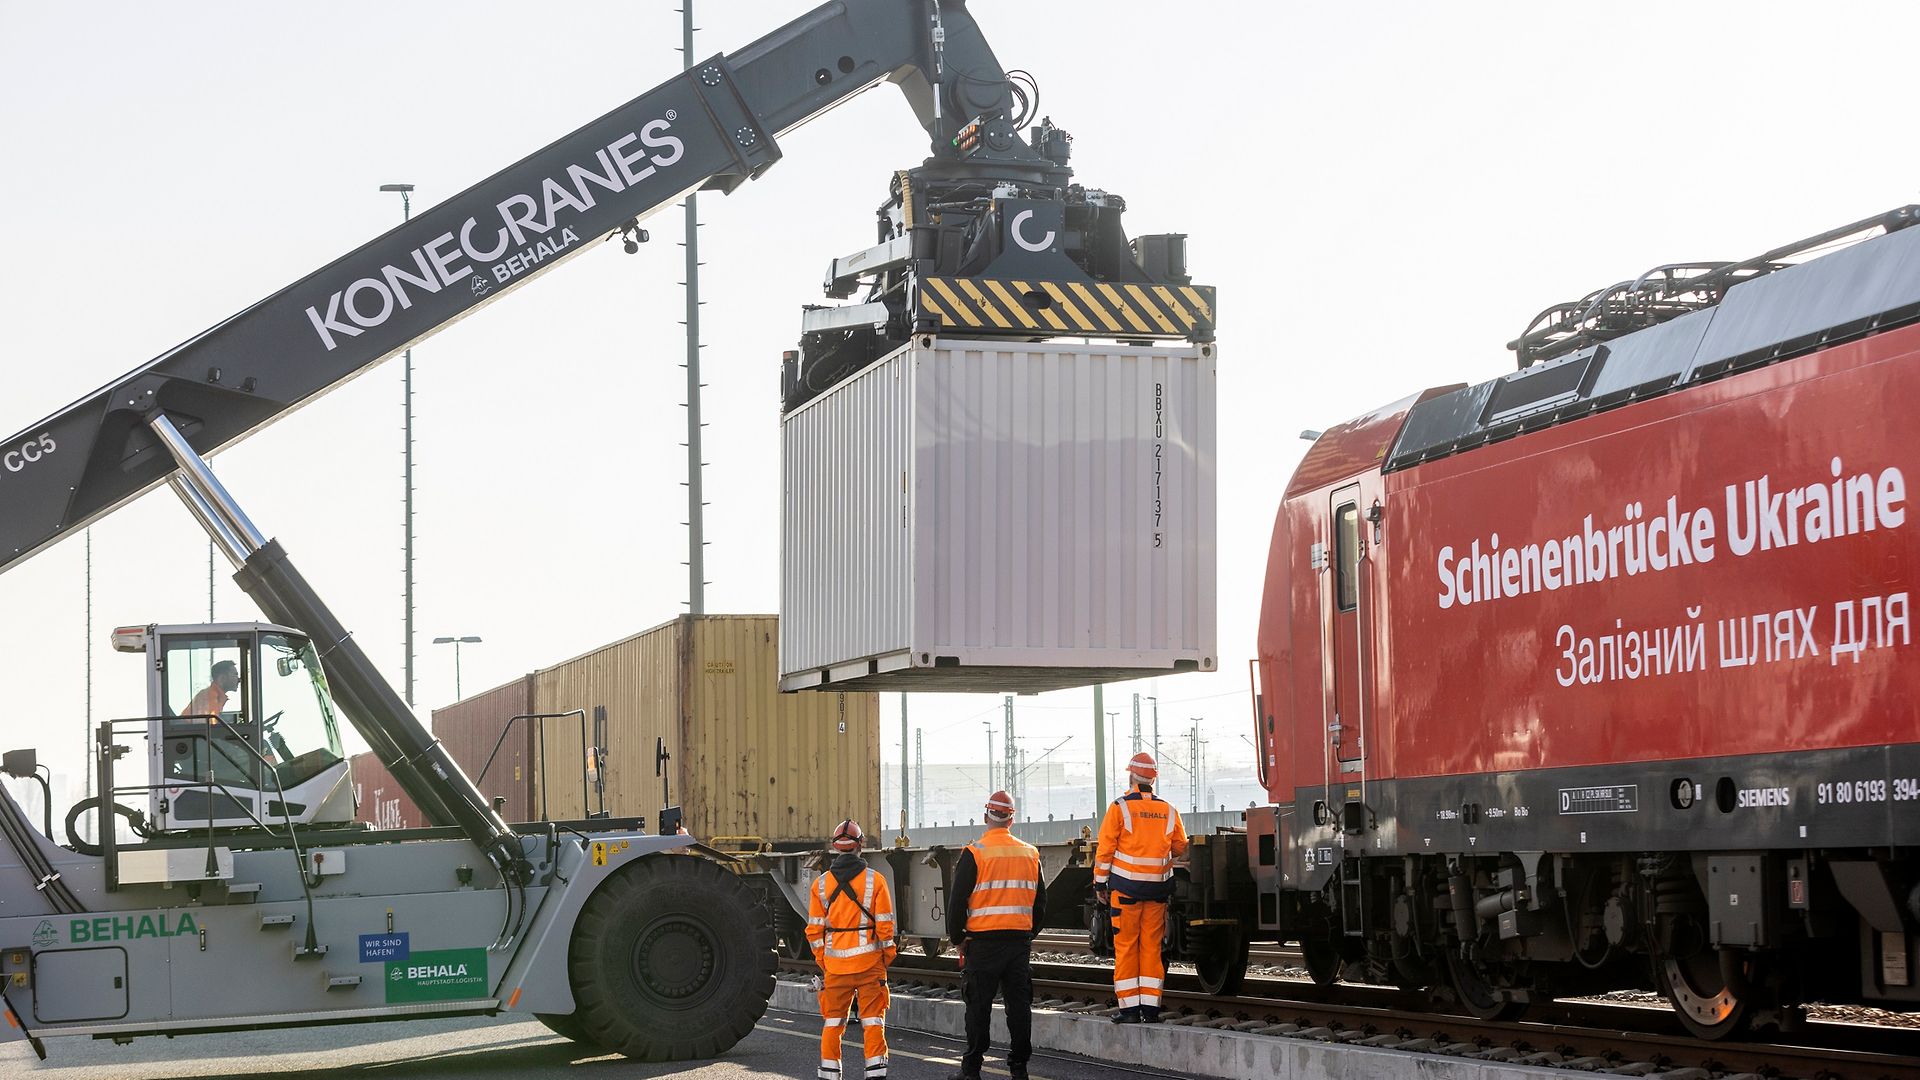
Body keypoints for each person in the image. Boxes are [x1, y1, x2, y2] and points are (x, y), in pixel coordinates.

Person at [945, 790, 1044, 1080]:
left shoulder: (974, 853)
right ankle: (1019, 1069)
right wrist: (1027, 933)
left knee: (978, 1007)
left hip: (982, 944)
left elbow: (957, 902)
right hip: (1018, 944)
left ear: (986, 816)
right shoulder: (1030, 853)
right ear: (1011, 820)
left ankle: (972, 1070)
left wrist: (957, 938)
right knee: (1019, 1007)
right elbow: (1041, 904)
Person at [1093, 751, 1187, 1023]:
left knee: (1126, 948)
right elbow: (1180, 846)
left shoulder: (1120, 807)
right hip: (1157, 891)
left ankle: (1130, 1011)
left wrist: (1100, 882)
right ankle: (1151, 1009)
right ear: (1153, 780)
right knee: (1151, 948)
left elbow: (1106, 849)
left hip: (1126, 892)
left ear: (1132, 777)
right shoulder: (1169, 810)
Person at [807, 819, 895, 1080]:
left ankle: (830, 1073)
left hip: (835, 968)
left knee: (833, 1022)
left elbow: (814, 932)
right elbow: (885, 928)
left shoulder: (820, 885)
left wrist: (825, 962)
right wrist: (885, 958)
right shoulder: (875, 881)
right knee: (872, 1021)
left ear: (835, 847)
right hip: (870, 965)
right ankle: (875, 1073)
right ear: (861, 845)